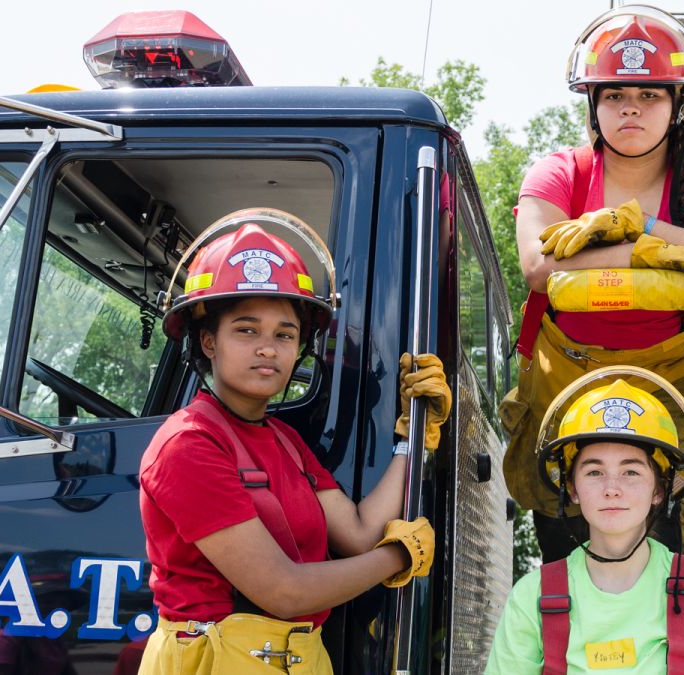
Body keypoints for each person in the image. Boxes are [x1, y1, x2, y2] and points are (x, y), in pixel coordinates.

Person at [137, 209, 450, 674]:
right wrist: (399, 556)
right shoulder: (188, 445)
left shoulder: (283, 440)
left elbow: (360, 532)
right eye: (246, 330)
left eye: (285, 334)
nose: (268, 348)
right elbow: (283, 591)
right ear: (207, 341)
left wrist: (413, 439)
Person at [502, 4, 684, 562]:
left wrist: (638, 227)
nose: (631, 110)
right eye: (615, 95)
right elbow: (539, 267)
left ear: (679, 103)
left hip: (673, 379)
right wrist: (656, 253)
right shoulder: (559, 173)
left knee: (660, 554)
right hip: (566, 375)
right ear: (593, 104)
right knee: (568, 547)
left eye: (650, 96)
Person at [487, 367, 684, 674]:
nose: (612, 489)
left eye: (631, 472)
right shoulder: (533, 599)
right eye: (594, 472)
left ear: (659, 490)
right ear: (572, 488)